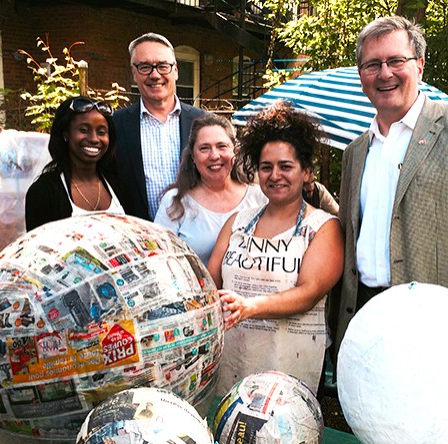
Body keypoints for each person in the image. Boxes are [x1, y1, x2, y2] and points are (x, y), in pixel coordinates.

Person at [331, 16, 448, 359]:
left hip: (436, 326)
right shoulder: (356, 152)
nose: (384, 73)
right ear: (361, 77)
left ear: (419, 66)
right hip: (365, 321)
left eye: (396, 61)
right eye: (372, 64)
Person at [208, 101, 344, 396]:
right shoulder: (238, 221)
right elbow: (210, 281)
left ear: (307, 172)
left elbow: (308, 294)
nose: (275, 175)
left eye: (286, 166)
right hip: (231, 360)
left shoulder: (323, 228)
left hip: (287, 369)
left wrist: (249, 307)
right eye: (266, 167)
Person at [113, 32, 206, 220]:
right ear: (134, 73)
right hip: (140, 239)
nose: (155, 75)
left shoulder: (203, 122)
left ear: (176, 71)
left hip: (196, 237)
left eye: (163, 66)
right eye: (145, 67)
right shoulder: (116, 125)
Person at [154, 113, 266, 266]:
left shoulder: (260, 197)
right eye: (204, 148)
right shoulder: (174, 201)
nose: (214, 156)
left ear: (235, 151)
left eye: (222, 146)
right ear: (192, 156)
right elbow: (160, 260)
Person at [25, 96, 131, 231]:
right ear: (65, 134)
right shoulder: (43, 192)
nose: (94, 139)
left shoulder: (118, 187)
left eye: (101, 132)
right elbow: (37, 249)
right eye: (84, 130)